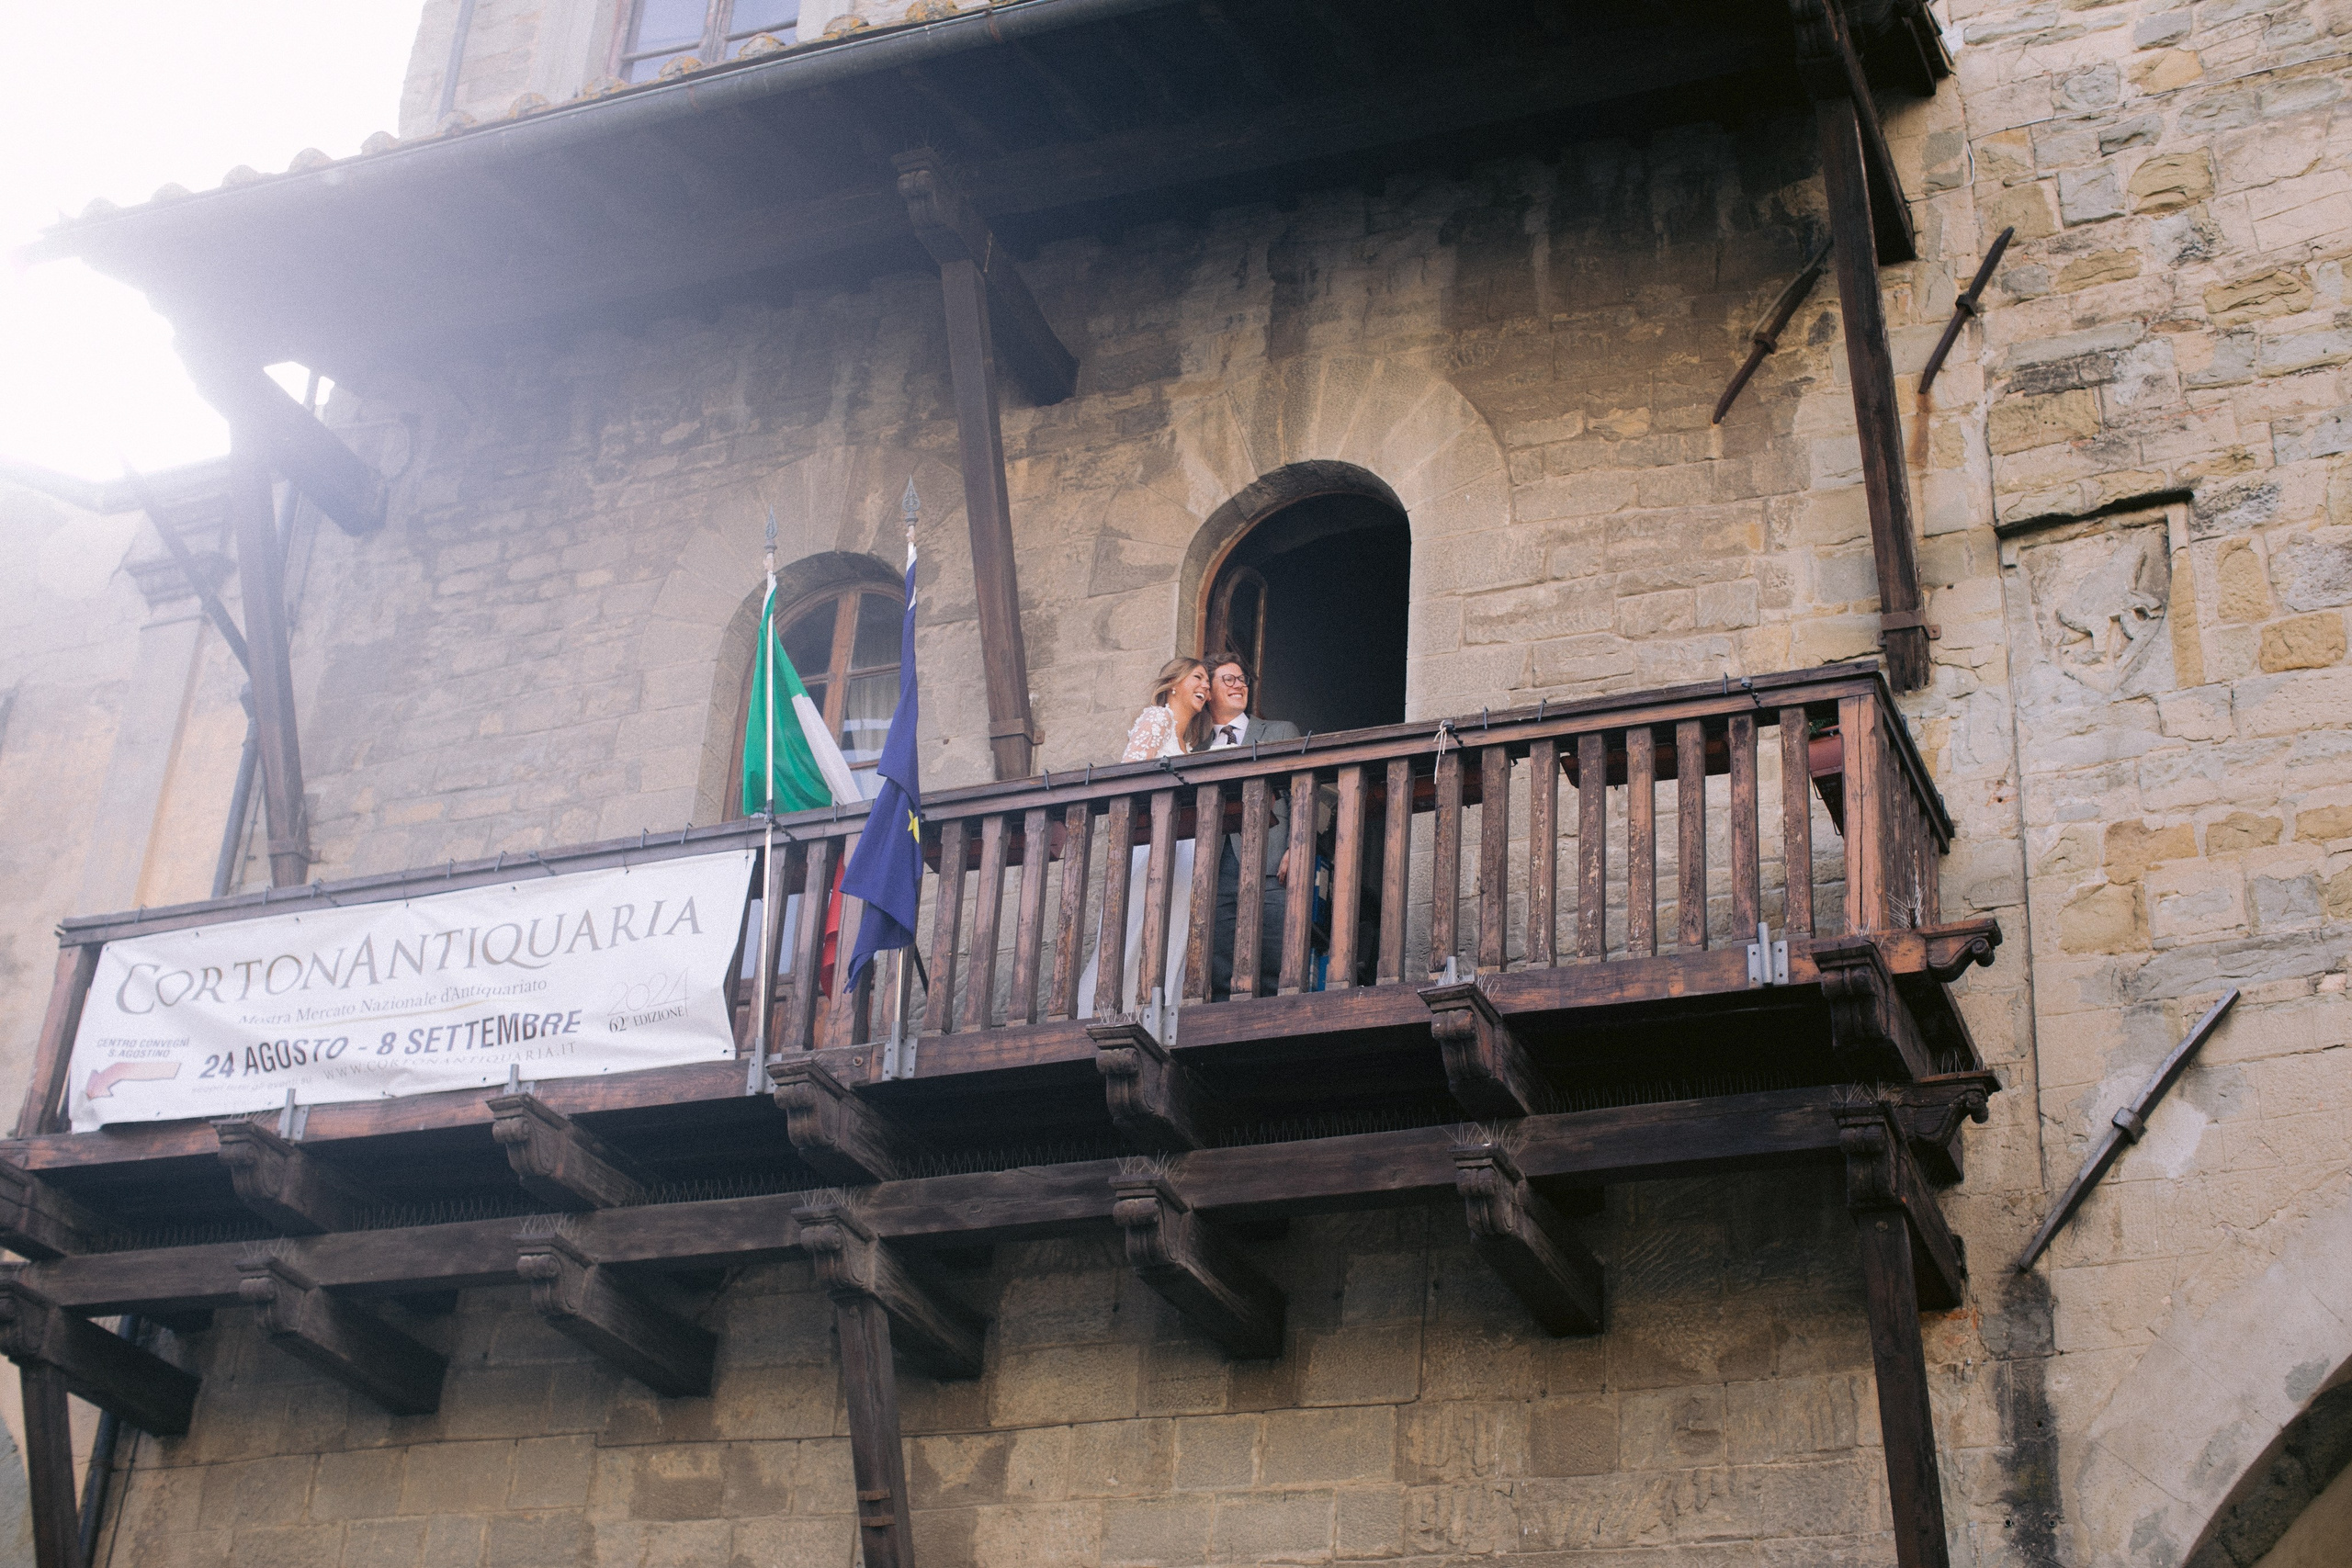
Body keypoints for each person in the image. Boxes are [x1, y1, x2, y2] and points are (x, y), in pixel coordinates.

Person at [1077, 658, 1212, 1023]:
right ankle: (1100, 1012)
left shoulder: (1188, 744)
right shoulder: (1157, 719)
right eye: (1197, 677)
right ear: (1173, 684)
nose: (1206, 687)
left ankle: (1153, 1012)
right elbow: (1131, 773)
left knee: (1171, 930)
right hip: (1152, 839)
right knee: (1135, 923)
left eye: (1208, 683)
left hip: (1182, 848)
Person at [1200, 651, 1302, 998]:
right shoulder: (1197, 750)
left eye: (1242, 679)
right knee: (1220, 968)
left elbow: (1300, 793)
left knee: (1278, 960)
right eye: (1228, 679)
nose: (1239, 685)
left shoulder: (1278, 731)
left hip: (1272, 864)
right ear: (1208, 691)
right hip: (1215, 870)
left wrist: (1297, 847)